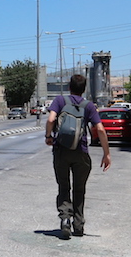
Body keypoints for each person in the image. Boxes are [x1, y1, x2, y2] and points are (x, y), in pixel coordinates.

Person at [45, 74, 112, 239]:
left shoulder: (60, 101)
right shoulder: (88, 106)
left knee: (63, 186)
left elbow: (51, 119)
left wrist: (48, 136)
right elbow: (101, 129)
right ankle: (78, 225)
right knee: (79, 189)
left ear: (69, 87)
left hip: (61, 151)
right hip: (81, 152)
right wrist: (106, 154)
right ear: (84, 89)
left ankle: (65, 220)